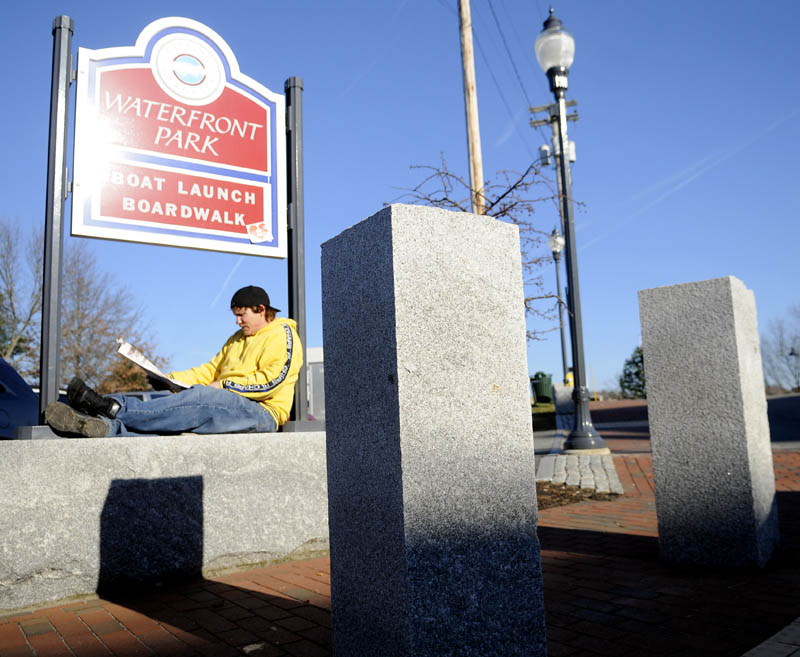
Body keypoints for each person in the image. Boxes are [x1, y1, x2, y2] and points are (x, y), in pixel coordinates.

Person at [45, 285, 303, 437]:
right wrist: (170, 379)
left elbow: (273, 381)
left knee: (203, 398)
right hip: (230, 404)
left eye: (242, 315)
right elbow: (209, 370)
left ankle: (112, 407)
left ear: (260, 309)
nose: (238, 321)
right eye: (235, 316)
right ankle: (105, 425)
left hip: (262, 413)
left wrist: (223, 387)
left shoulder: (283, 334)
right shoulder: (236, 338)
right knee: (175, 422)